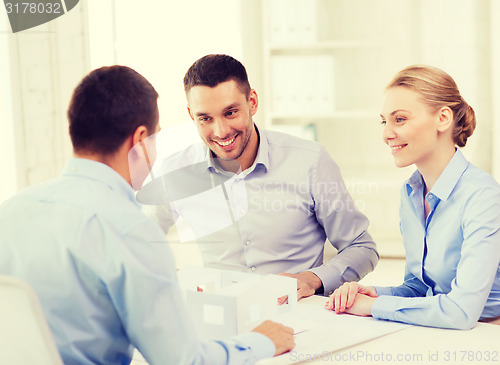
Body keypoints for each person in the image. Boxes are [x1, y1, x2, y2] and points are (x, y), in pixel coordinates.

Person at [0, 65, 295, 364]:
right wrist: (260, 342)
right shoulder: (128, 230)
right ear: (139, 141)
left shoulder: (10, 212)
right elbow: (183, 361)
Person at [139, 54, 379, 300]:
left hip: (302, 317)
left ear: (252, 102)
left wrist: (312, 279)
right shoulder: (175, 172)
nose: (220, 131)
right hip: (223, 322)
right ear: (192, 116)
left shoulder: (310, 162)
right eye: (205, 119)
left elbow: (362, 247)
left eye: (230, 112)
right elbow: (137, 242)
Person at [326, 65, 500, 329]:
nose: (386, 134)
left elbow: (461, 312)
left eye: (400, 119)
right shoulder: (411, 194)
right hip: (439, 330)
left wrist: (374, 307)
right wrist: (372, 294)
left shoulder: (482, 196)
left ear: (443, 119)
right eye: (384, 121)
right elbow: (420, 287)